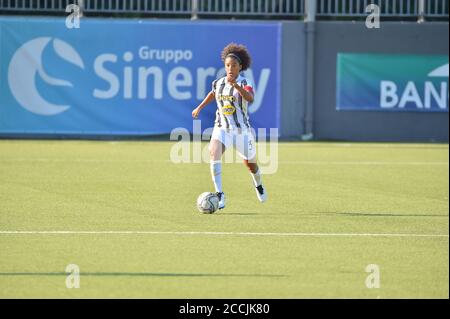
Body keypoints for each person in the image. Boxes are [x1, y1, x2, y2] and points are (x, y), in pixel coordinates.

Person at [192, 43, 267, 210]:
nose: (230, 68)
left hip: (241, 131)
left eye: (234, 65)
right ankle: (219, 194)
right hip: (221, 128)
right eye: (228, 65)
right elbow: (213, 94)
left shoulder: (245, 82)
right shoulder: (218, 83)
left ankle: (259, 184)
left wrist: (237, 86)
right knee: (213, 153)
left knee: (251, 165)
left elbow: (250, 98)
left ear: (240, 67)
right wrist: (199, 107)